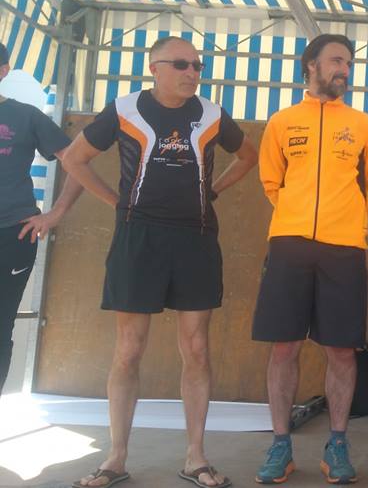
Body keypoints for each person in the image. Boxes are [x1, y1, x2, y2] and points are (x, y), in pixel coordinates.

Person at [62, 36, 258, 488]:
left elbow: (249, 156)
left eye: (198, 66)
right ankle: (115, 457)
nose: (192, 73)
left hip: (196, 238)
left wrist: (214, 190)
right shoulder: (124, 109)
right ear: (154, 67)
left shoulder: (212, 114)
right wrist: (116, 202)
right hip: (139, 239)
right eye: (182, 64)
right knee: (128, 350)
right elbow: (74, 159)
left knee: (197, 349)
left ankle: (196, 457)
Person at [251, 33, 368, 485]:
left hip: (344, 248)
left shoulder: (363, 124)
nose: (344, 69)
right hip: (289, 244)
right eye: (336, 61)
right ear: (311, 64)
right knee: (283, 346)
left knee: (342, 349)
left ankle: (338, 444)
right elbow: (271, 182)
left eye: (348, 62)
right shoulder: (282, 121)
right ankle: (280, 444)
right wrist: (295, 217)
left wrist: (345, 221)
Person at [0, 42, 84, 393]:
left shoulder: (26, 116)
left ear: (4, 70)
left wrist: (55, 213)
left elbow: (78, 162)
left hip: (12, 235)